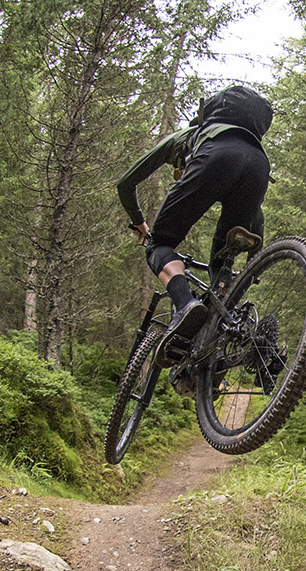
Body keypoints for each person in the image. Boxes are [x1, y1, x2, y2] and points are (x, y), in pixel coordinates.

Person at [117, 84, 273, 363]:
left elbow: (126, 184)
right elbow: (256, 214)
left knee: (159, 246)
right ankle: (217, 352)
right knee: (220, 267)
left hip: (216, 157)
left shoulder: (192, 135)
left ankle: (184, 304)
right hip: (260, 168)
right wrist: (254, 257)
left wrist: (139, 222)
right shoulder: (253, 144)